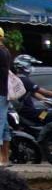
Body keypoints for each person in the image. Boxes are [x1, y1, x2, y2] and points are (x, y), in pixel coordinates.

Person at [0, 28, 11, 168]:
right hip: (4, 93)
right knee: (4, 127)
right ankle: (4, 159)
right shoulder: (6, 51)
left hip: (1, 93)